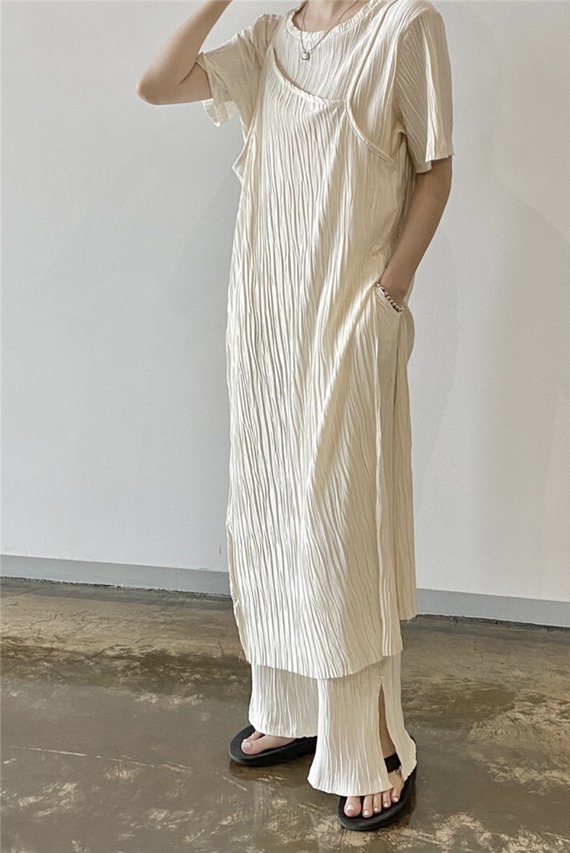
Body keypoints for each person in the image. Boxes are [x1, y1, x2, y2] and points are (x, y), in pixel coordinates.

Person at [137, 0, 454, 831]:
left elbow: (435, 169)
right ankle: (288, 702)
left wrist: (390, 292)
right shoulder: (269, 40)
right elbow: (156, 83)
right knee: (270, 515)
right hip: (267, 326)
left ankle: (370, 738)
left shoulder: (403, 27)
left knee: (344, 529)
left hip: (349, 322)